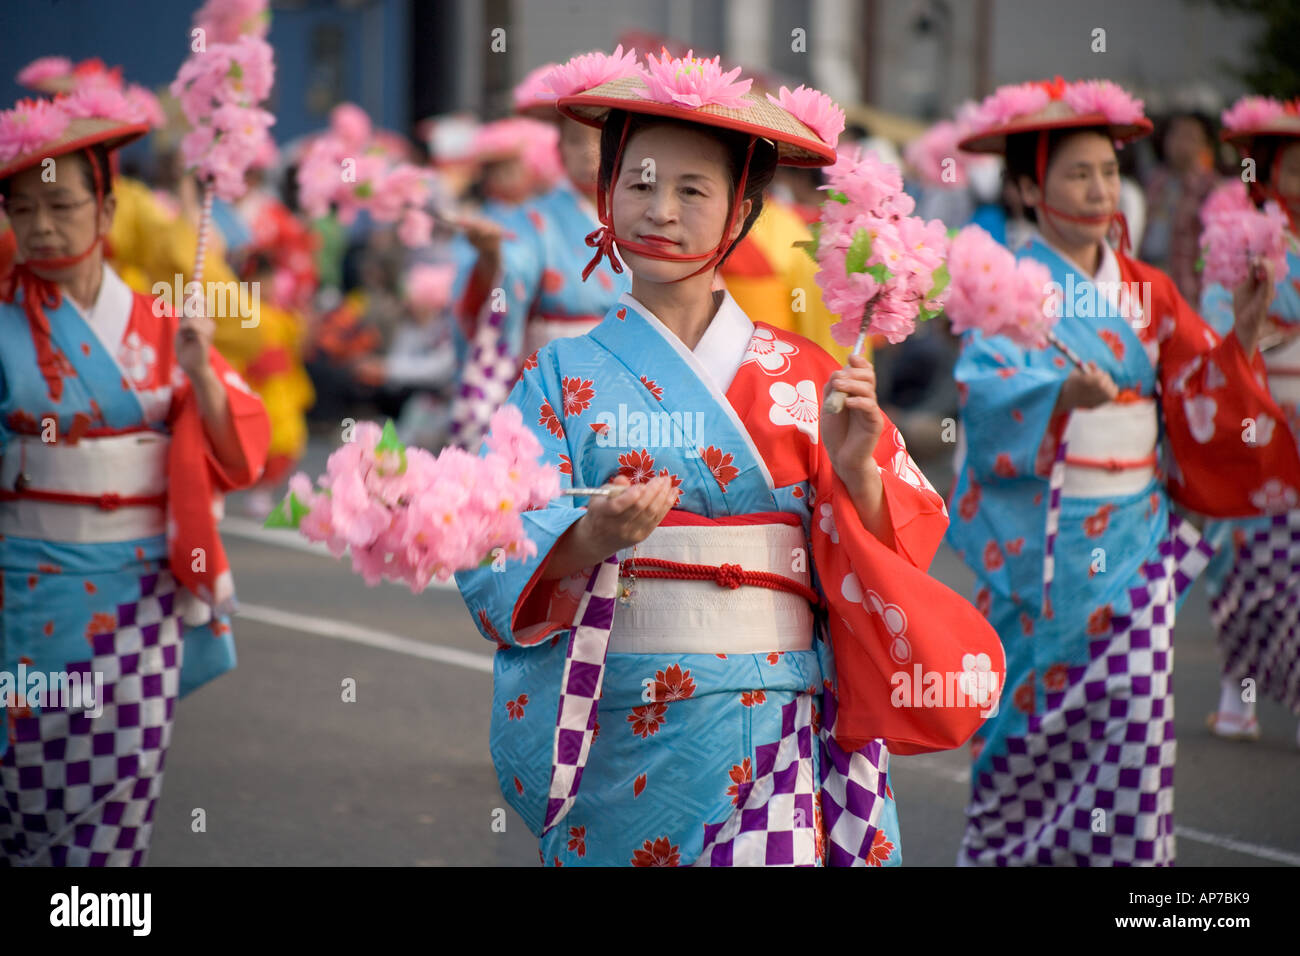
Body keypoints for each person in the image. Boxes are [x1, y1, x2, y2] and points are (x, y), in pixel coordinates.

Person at [454, 50, 1004, 867]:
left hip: (776, 719)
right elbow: (491, 538)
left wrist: (857, 473)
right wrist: (587, 537)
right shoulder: (558, 377)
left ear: (741, 210)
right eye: (639, 183)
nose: (660, 210)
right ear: (605, 193)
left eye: (692, 191)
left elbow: (901, 544)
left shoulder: (809, 376)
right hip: (622, 722)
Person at [948, 77, 1300, 866]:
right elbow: (983, 394)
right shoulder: (1005, 283)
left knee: (1137, 719)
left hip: (1134, 535)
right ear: (1029, 188)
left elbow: (1197, 390)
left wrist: (1241, 338)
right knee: (1025, 725)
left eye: (1109, 172)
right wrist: (1056, 396)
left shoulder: (1150, 290)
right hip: (1041, 538)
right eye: (1078, 173)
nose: (1100, 189)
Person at [0, 96, 270, 865]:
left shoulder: (160, 323)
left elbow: (241, 448)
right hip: (23, 591)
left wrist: (201, 375)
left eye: (61, 205)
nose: (42, 226)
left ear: (107, 208)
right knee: (23, 799)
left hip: (138, 597)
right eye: (23, 210)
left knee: (118, 798)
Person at [447, 53, 634, 451]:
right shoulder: (533, 220)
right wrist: (491, 259)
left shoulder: (642, 215)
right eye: (574, 139)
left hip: (635, 387)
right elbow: (512, 272)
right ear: (558, 149)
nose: (587, 151)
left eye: (598, 138)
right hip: (555, 388)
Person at [1199, 96, 1300, 746]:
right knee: (1241, 564)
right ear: (1267, 171)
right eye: (1296, 165)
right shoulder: (1244, 238)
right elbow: (1219, 331)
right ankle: (1236, 687)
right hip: (1258, 422)